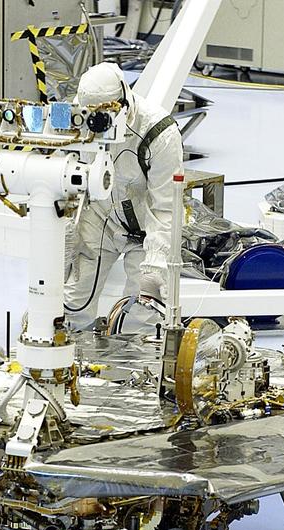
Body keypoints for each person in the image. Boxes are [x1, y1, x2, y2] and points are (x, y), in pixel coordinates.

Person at [63, 62, 183, 329]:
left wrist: (155, 264)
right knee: (71, 305)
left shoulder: (159, 133)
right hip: (100, 217)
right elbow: (67, 179)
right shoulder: (78, 117)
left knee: (141, 314)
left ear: (123, 104)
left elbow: (166, 209)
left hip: (145, 230)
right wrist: (67, 233)